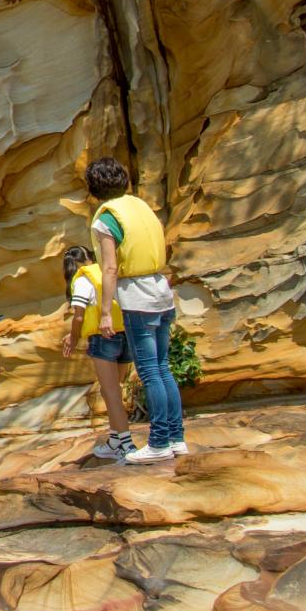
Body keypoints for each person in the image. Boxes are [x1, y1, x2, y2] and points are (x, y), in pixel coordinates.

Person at [84, 157, 187, 464]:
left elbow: (111, 267)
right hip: (160, 291)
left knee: (150, 371)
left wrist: (105, 312)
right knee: (163, 367)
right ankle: (176, 437)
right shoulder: (141, 207)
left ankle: (158, 442)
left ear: (93, 189)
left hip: (138, 298)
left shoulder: (107, 218)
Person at [59, 244, 134, 460]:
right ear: (91, 257)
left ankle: (127, 447)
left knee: (110, 393)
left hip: (103, 338)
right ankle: (114, 440)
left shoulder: (82, 280)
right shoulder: (106, 272)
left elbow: (79, 316)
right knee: (113, 391)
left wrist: (73, 337)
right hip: (124, 334)